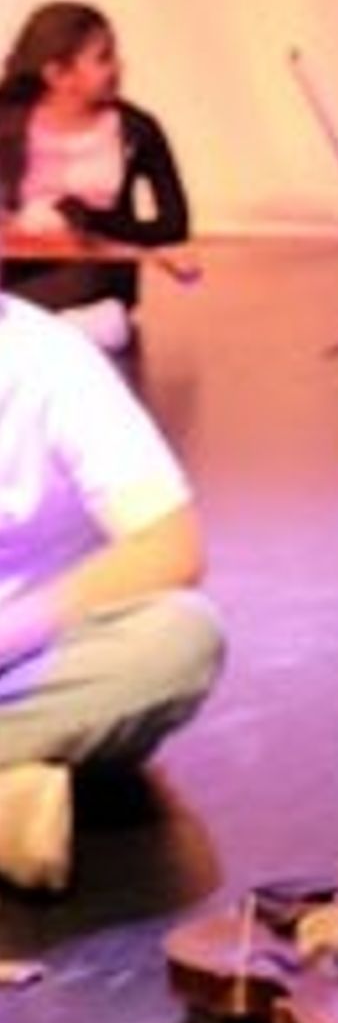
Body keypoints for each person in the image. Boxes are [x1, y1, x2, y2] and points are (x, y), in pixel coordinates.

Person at [0, 193, 225, 888]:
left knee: (178, 639)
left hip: (23, 664)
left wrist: (10, 630)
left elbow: (169, 546)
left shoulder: (47, 362)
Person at [0, 2, 192, 355]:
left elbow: (173, 223)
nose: (118, 67)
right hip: (20, 267)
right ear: (58, 74)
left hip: (96, 272)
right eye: (104, 58)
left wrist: (88, 223)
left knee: (88, 285)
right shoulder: (8, 122)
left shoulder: (137, 130)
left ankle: (28, 330)